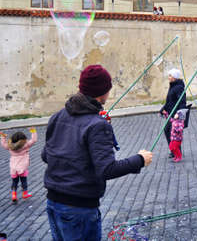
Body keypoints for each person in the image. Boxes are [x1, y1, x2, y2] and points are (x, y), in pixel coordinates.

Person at [42, 64, 153, 241]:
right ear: (103, 92)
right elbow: (107, 169)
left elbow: (46, 155)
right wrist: (140, 159)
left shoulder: (58, 115)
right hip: (79, 209)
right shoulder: (97, 125)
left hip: (53, 203)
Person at [0, 127, 38, 202]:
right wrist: (33, 131)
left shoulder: (10, 146)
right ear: (23, 139)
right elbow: (33, 140)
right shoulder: (25, 145)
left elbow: (3, 144)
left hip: (13, 168)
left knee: (14, 182)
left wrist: (3, 137)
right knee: (24, 181)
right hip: (22, 168)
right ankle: (25, 193)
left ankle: (14, 195)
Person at [160, 69, 187, 158]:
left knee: (174, 133)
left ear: (175, 77)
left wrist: (179, 114)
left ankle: (176, 151)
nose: (169, 77)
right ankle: (174, 150)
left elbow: (182, 102)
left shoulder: (179, 87)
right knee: (168, 131)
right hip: (170, 114)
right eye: (169, 75)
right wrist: (163, 109)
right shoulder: (172, 86)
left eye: (170, 76)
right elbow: (170, 101)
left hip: (176, 116)